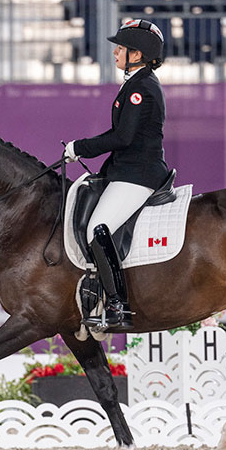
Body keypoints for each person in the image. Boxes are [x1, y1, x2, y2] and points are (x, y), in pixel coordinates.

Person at [64, 19, 170, 331]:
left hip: (138, 174)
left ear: (137, 54)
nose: (115, 53)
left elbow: (123, 137)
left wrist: (81, 147)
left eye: (121, 48)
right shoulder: (137, 83)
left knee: (98, 228)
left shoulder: (141, 89)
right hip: (127, 170)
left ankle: (117, 305)